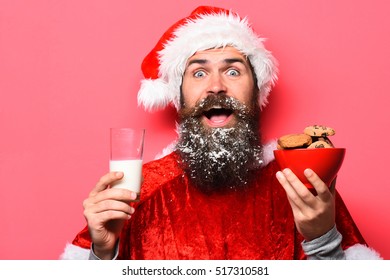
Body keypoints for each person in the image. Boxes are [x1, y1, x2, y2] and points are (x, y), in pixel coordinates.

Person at [61, 6, 381, 260]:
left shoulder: (304, 185)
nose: (216, 86)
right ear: (179, 94)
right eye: (199, 72)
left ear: (256, 91)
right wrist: (102, 253)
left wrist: (323, 240)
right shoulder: (135, 192)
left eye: (232, 70)